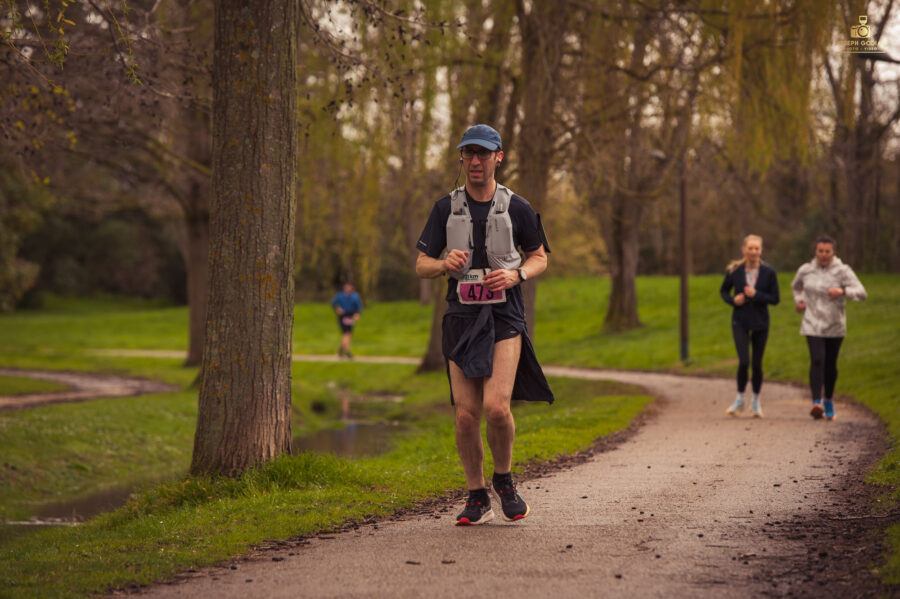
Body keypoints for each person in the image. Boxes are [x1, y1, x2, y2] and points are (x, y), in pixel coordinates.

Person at [415, 124, 553, 526]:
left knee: (495, 407)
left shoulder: (517, 207)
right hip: (460, 317)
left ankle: (504, 480)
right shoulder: (445, 208)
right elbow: (421, 264)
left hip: (504, 315)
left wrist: (516, 275)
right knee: (465, 414)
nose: (475, 161)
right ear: (462, 157)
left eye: (483, 153)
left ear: (498, 157)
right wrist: (444, 264)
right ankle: (477, 495)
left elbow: (540, 257)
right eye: (469, 153)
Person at [791, 235, 866, 421]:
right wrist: (799, 301)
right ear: (815, 252)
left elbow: (862, 293)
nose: (824, 255)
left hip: (834, 324)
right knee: (817, 360)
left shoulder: (843, 271)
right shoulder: (806, 270)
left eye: (827, 251)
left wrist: (842, 291)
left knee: (830, 364)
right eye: (820, 251)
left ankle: (829, 399)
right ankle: (816, 402)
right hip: (812, 323)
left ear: (833, 253)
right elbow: (796, 287)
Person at [720, 234, 780, 418]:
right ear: (744, 250)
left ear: (761, 250)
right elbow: (723, 291)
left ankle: (755, 401)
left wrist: (756, 294)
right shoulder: (734, 271)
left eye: (757, 248)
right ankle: (740, 398)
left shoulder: (769, 272)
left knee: (757, 363)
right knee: (744, 361)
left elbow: (775, 299)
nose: (753, 252)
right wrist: (733, 300)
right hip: (740, 321)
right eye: (750, 248)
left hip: (760, 322)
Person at [331, 282, 363, 359]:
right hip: (343, 316)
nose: (348, 289)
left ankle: (340, 350)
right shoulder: (340, 296)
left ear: (352, 288)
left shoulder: (355, 296)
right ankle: (348, 352)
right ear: (344, 288)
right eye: (346, 287)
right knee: (346, 334)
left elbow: (359, 306)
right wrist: (337, 310)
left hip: (350, 316)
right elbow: (333, 304)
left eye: (349, 287)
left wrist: (357, 314)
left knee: (348, 334)